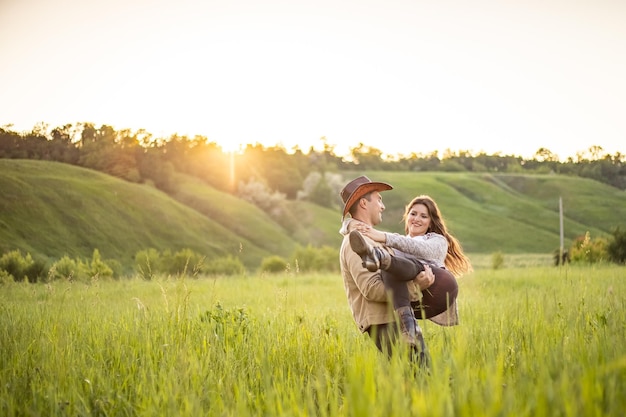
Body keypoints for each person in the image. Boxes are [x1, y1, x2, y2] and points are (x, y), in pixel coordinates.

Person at [338, 176, 461, 363]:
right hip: (382, 321)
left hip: (396, 317)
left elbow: (405, 251)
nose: (383, 206)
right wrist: (415, 287)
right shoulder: (355, 242)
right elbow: (372, 289)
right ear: (364, 203)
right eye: (379, 199)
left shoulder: (374, 239)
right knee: (417, 375)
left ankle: (383, 260)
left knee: (420, 375)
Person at [345, 194, 472, 336]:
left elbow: (418, 247)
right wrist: (348, 224)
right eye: (413, 214)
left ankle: (379, 257)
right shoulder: (397, 246)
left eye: (424, 216)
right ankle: (408, 326)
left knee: (403, 263)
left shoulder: (437, 240)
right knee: (390, 268)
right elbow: (361, 229)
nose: (417, 219)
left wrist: (383, 236)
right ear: (407, 217)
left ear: (431, 222)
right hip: (414, 299)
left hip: (439, 288)